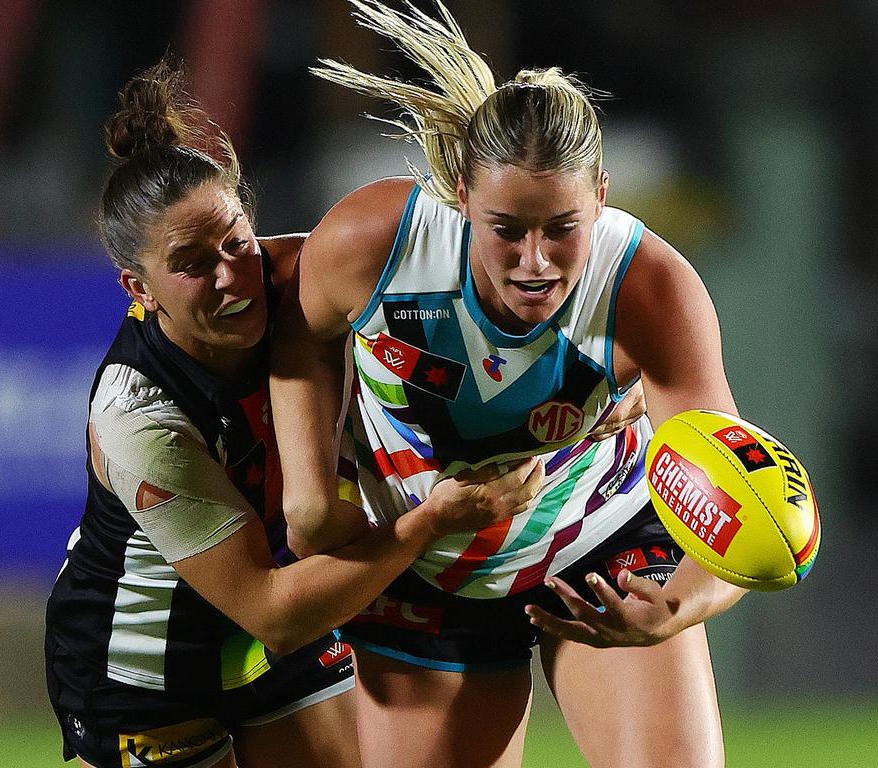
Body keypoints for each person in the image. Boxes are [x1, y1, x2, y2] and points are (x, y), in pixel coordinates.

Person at [268, 2, 749, 767]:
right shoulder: (375, 245)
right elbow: (297, 330)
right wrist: (309, 492)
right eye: (506, 229)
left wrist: (678, 605)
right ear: (461, 193)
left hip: (595, 541)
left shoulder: (651, 288)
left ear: (601, 194)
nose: (536, 261)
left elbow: (729, 494)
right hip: (424, 566)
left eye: (562, 227)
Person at [44, 58, 548, 768]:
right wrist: (429, 521)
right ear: (139, 286)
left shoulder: (310, 281)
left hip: (283, 620)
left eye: (236, 242)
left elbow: (472, 292)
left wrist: (607, 377)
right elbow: (273, 613)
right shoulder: (138, 418)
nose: (231, 277)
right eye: (192, 264)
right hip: (150, 670)